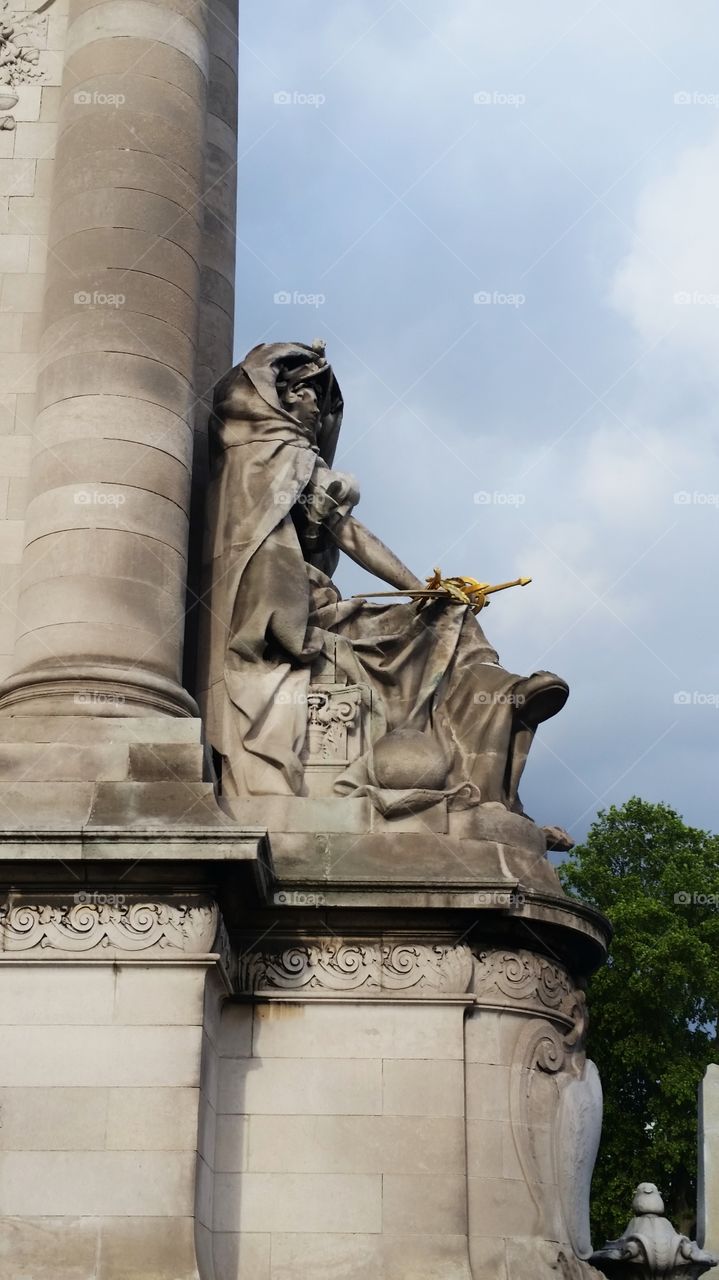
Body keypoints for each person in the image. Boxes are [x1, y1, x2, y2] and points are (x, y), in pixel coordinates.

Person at [198, 341, 567, 811]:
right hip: (295, 618)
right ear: (286, 396)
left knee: (450, 616)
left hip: (314, 612)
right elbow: (349, 534)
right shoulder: (272, 459)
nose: (321, 414)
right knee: (444, 617)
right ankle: (493, 708)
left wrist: (427, 591)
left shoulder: (273, 462)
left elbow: (343, 531)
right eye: (313, 398)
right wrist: (421, 590)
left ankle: (500, 697)